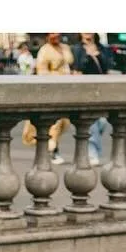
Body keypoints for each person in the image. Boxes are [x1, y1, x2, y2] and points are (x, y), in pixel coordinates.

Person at [23, 33, 76, 164]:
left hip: (67, 89)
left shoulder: (65, 48)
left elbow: (71, 65)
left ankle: (50, 148)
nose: (55, 35)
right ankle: (53, 150)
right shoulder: (45, 50)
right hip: (53, 89)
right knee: (55, 122)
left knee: (64, 122)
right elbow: (42, 72)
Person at [72, 33, 113, 166]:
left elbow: (107, 67)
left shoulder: (102, 48)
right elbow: (77, 68)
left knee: (102, 122)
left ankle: (87, 149)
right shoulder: (77, 49)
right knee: (91, 123)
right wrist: (87, 56)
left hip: (101, 90)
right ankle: (93, 153)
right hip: (85, 90)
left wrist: (98, 55)